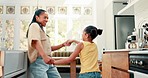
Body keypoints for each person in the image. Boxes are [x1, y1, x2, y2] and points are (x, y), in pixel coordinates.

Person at [26, 9, 69, 78]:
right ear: (37, 17)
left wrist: (62, 45)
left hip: (48, 61)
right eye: (45, 17)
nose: (47, 20)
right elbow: (35, 41)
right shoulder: (34, 25)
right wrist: (45, 57)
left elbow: (49, 48)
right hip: (39, 62)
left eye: (47, 18)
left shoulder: (42, 30)